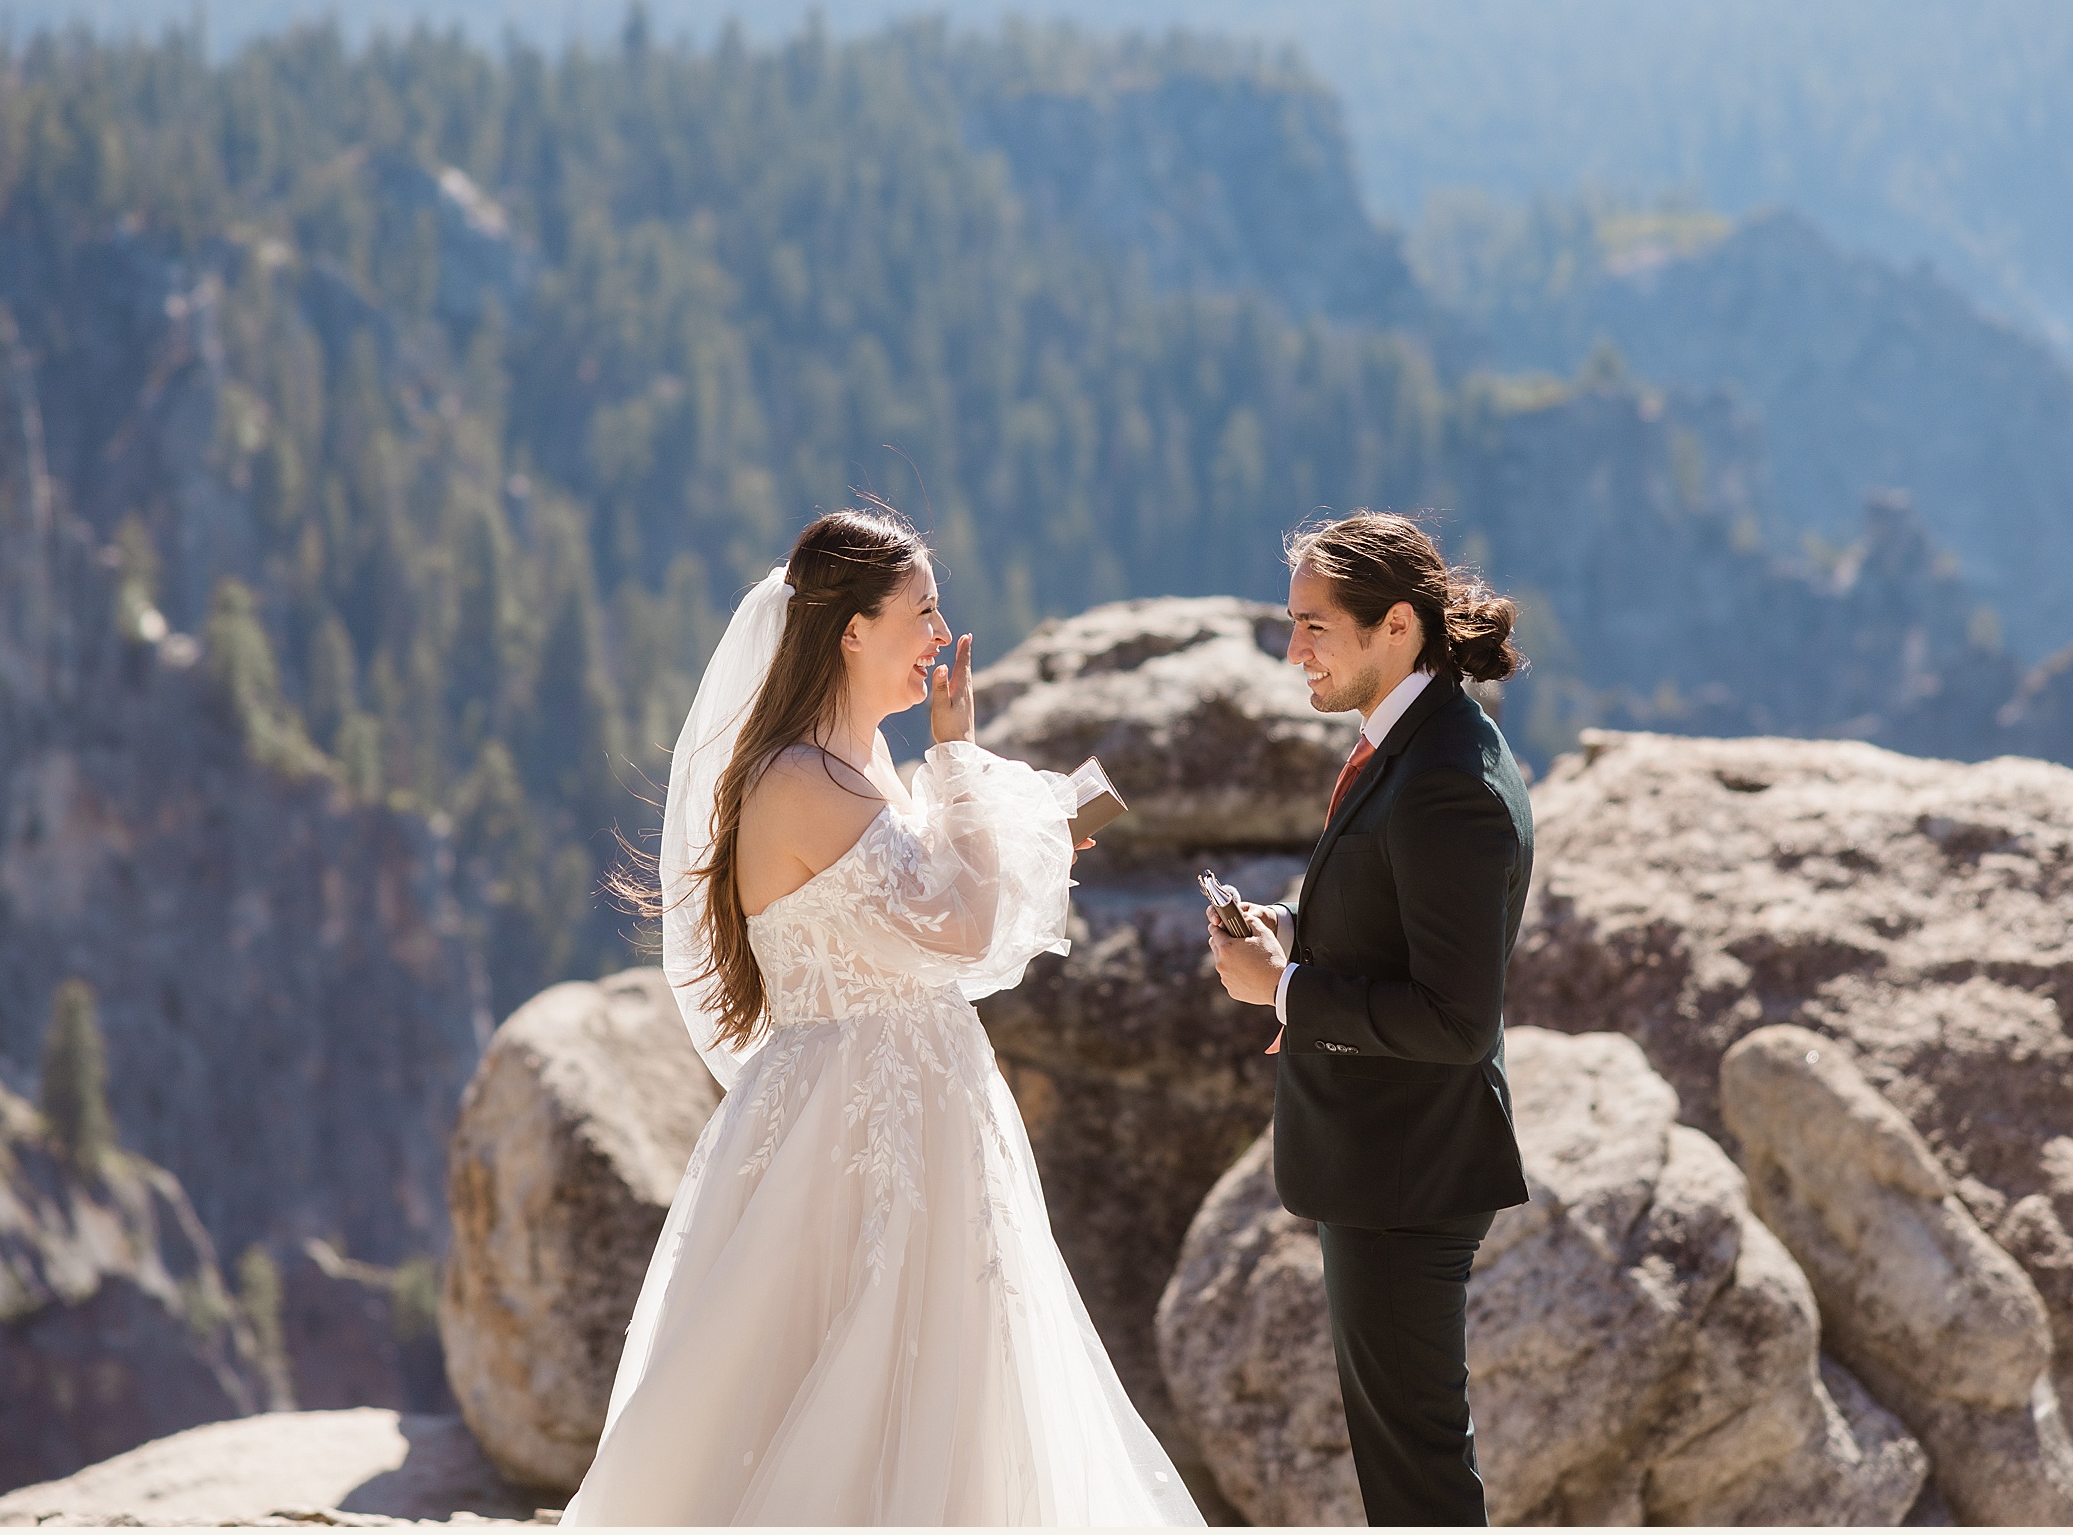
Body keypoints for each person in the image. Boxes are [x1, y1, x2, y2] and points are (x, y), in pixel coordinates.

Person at [563, 507, 1202, 1527]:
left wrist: (1009, 814)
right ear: (851, 629)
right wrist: (958, 761)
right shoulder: (795, 778)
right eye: (922, 610)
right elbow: (960, 925)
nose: (941, 635)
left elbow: (944, 908)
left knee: (950, 1371)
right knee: (851, 1365)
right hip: (854, 1122)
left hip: (920, 1104)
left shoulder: (858, 774)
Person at [1206, 511, 1533, 1527]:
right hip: (1392, 1162)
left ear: (1396, 625)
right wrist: (1292, 926)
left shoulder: (1445, 782)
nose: (1293, 648)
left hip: (1405, 1173)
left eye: (1313, 624)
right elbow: (1389, 913)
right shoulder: (1414, 741)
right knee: (1410, 1460)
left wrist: (1285, 989)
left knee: (1419, 1477)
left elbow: (1453, 1017)